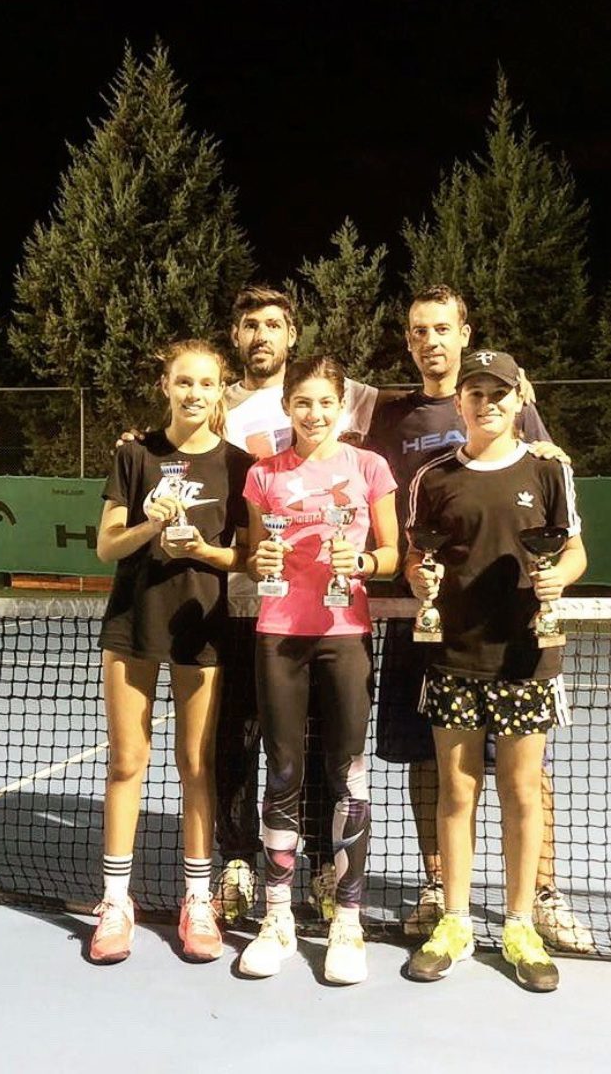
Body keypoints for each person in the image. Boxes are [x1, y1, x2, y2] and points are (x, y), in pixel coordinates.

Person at [364, 285, 594, 953]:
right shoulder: (388, 415)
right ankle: (441, 889)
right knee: (429, 762)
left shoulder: (524, 426)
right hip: (429, 623)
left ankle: (540, 896)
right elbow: (313, 409)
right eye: (418, 330)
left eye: (441, 327)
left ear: (464, 334)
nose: (429, 340)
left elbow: (555, 509)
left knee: (523, 775)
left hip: (516, 635)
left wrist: (558, 574)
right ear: (408, 341)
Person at [403, 349, 586, 991]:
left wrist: (559, 578)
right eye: (476, 394)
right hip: (454, 657)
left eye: (498, 393)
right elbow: (416, 558)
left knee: (520, 792)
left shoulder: (549, 470)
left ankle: (519, 923)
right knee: (457, 792)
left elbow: (575, 551)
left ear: (519, 400)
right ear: (460, 403)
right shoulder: (432, 478)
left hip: (525, 658)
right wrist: (418, 577)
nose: (487, 404)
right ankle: (455, 921)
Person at [215, 286, 377, 925]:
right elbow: (176, 438)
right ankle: (238, 862)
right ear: (236, 335)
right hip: (243, 607)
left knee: (317, 746)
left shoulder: (332, 393)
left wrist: (528, 415)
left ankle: (317, 866)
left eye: (274, 324)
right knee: (239, 740)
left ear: (292, 335)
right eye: (250, 324)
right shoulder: (218, 402)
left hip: (327, 614)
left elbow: (422, 398)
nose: (261, 335)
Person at [89, 340, 253, 965]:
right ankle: (115, 902)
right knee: (126, 762)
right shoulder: (135, 455)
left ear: (220, 390)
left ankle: (197, 900)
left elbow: (245, 557)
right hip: (133, 624)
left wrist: (201, 552)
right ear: (165, 385)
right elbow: (107, 546)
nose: (194, 393)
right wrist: (151, 525)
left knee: (196, 764)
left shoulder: (238, 465)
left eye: (206, 383)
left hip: (200, 627)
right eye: (184, 382)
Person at [239, 354, 398, 984]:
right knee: (282, 772)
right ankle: (277, 918)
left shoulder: (370, 467)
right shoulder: (263, 475)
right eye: (302, 402)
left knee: (348, 776)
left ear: (342, 406)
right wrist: (260, 559)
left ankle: (347, 922)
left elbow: (393, 554)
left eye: (325, 401)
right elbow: (255, 553)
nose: (314, 413)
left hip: (345, 635)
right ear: (288, 407)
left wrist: (362, 562)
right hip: (279, 634)